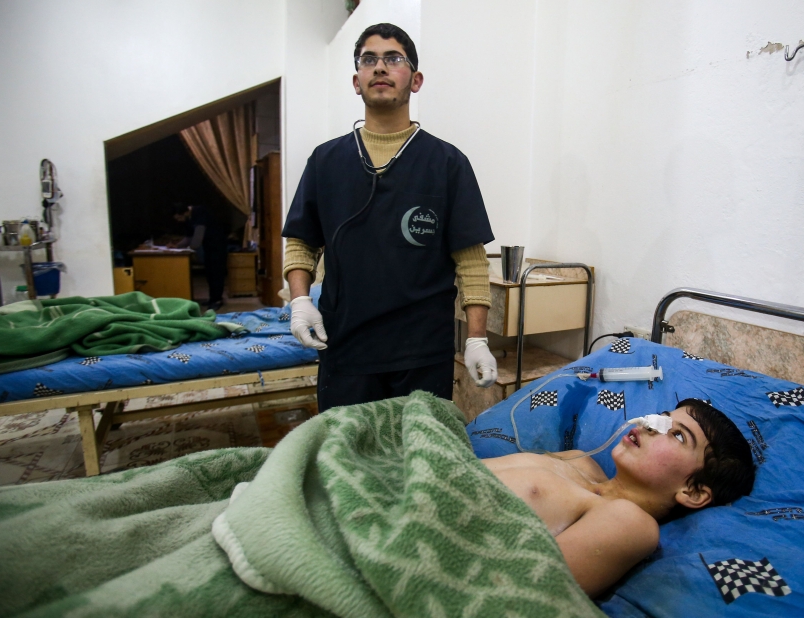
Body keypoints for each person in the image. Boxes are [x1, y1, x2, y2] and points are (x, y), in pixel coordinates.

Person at [281, 23, 498, 409]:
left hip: (422, 352)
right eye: (369, 60)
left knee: (416, 458)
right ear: (356, 80)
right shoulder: (326, 161)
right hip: (345, 345)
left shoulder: (448, 163)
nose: (380, 68)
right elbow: (302, 241)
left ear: (415, 80)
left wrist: (476, 339)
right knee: (345, 459)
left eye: (393, 59)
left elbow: (471, 261)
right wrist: (300, 301)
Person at [482, 398, 756, 597]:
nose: (652, 425)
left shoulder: (630, 522)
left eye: (678, 435)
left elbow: (520, 591)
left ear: (693, 492)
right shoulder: (582, 461)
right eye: (662, 417)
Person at [172, 202, 228, 311]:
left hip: (217, 244)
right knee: (209, 272)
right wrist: (176, 247)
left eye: (180, 217)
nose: (179, 220)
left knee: (216, 272)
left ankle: (217, 300)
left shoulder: (200, 212)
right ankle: (212, 298)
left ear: (186, 212)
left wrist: (191, 248)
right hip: (207, 246)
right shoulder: (188, 218)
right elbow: (189, 236)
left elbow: (197, 237)